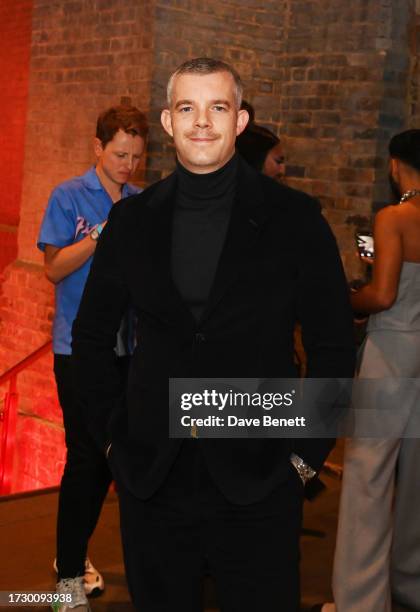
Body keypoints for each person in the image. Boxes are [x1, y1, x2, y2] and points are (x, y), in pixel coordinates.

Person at [72, 58, 355, 612]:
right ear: (169, 122)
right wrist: (112, 444)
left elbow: (333, 346)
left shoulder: (296, 218)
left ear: (240, 120)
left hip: (262, 476)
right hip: (153, 477)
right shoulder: (132, 222)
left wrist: (304, 460)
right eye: (187, 108)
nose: (202, 121)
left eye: (218, 107)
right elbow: (90, 340)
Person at [37, 105, 148, 611]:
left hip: (131, 347)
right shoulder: (68, 195)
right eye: (120, 153)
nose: (127, 164)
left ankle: (87, 561)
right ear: (97, 147)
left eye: (136, 157)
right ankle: (66, 577)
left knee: (117, 459)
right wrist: (104, 233)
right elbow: (55, 269)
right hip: (77, 349)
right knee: (85, 459)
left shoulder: (141, 200)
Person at [316, 129, 420, 612]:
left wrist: (341, 302)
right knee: (416, 480)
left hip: (392, 353)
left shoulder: (394, 216)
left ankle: (360, 601)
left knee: (367, 476)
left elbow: (382, 296)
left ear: (396, 164)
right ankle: (410, 583)